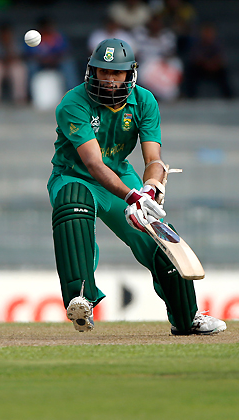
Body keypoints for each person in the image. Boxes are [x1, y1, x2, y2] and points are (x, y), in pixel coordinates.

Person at [48, 38, 226, 336]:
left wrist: (150, 190)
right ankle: (81, 298)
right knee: (72, 202)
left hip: (120, 175)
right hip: (73, 176)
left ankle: (187, 318)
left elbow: (153, 158)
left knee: (158, 237)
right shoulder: (73, 102)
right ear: (91, 71)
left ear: (130, 73)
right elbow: (93, 164)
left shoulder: (144, 101)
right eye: (103, 71)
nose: (109, 79)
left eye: (116, 73)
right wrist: (131, 195)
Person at [183, 22, 234, 99]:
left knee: (223, 72)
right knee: (190, 71)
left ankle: (229, 97)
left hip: (215, 69)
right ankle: (190, 97)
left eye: (210, 32)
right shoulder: (197, 44)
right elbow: (195, 58)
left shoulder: (217, 44)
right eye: (206, 32)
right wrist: (206, 63)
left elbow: (222, 59)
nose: (207, 34)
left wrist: (213, 64)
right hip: (201, 68)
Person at [0, 22, 27, 106]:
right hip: (0, 68)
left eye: (7, 33)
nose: (5, 35)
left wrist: (8, 48)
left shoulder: (15, 43)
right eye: (3, 33)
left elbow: (19, 56)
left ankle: (19, 98)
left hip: (11, 68)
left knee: (19, 69)